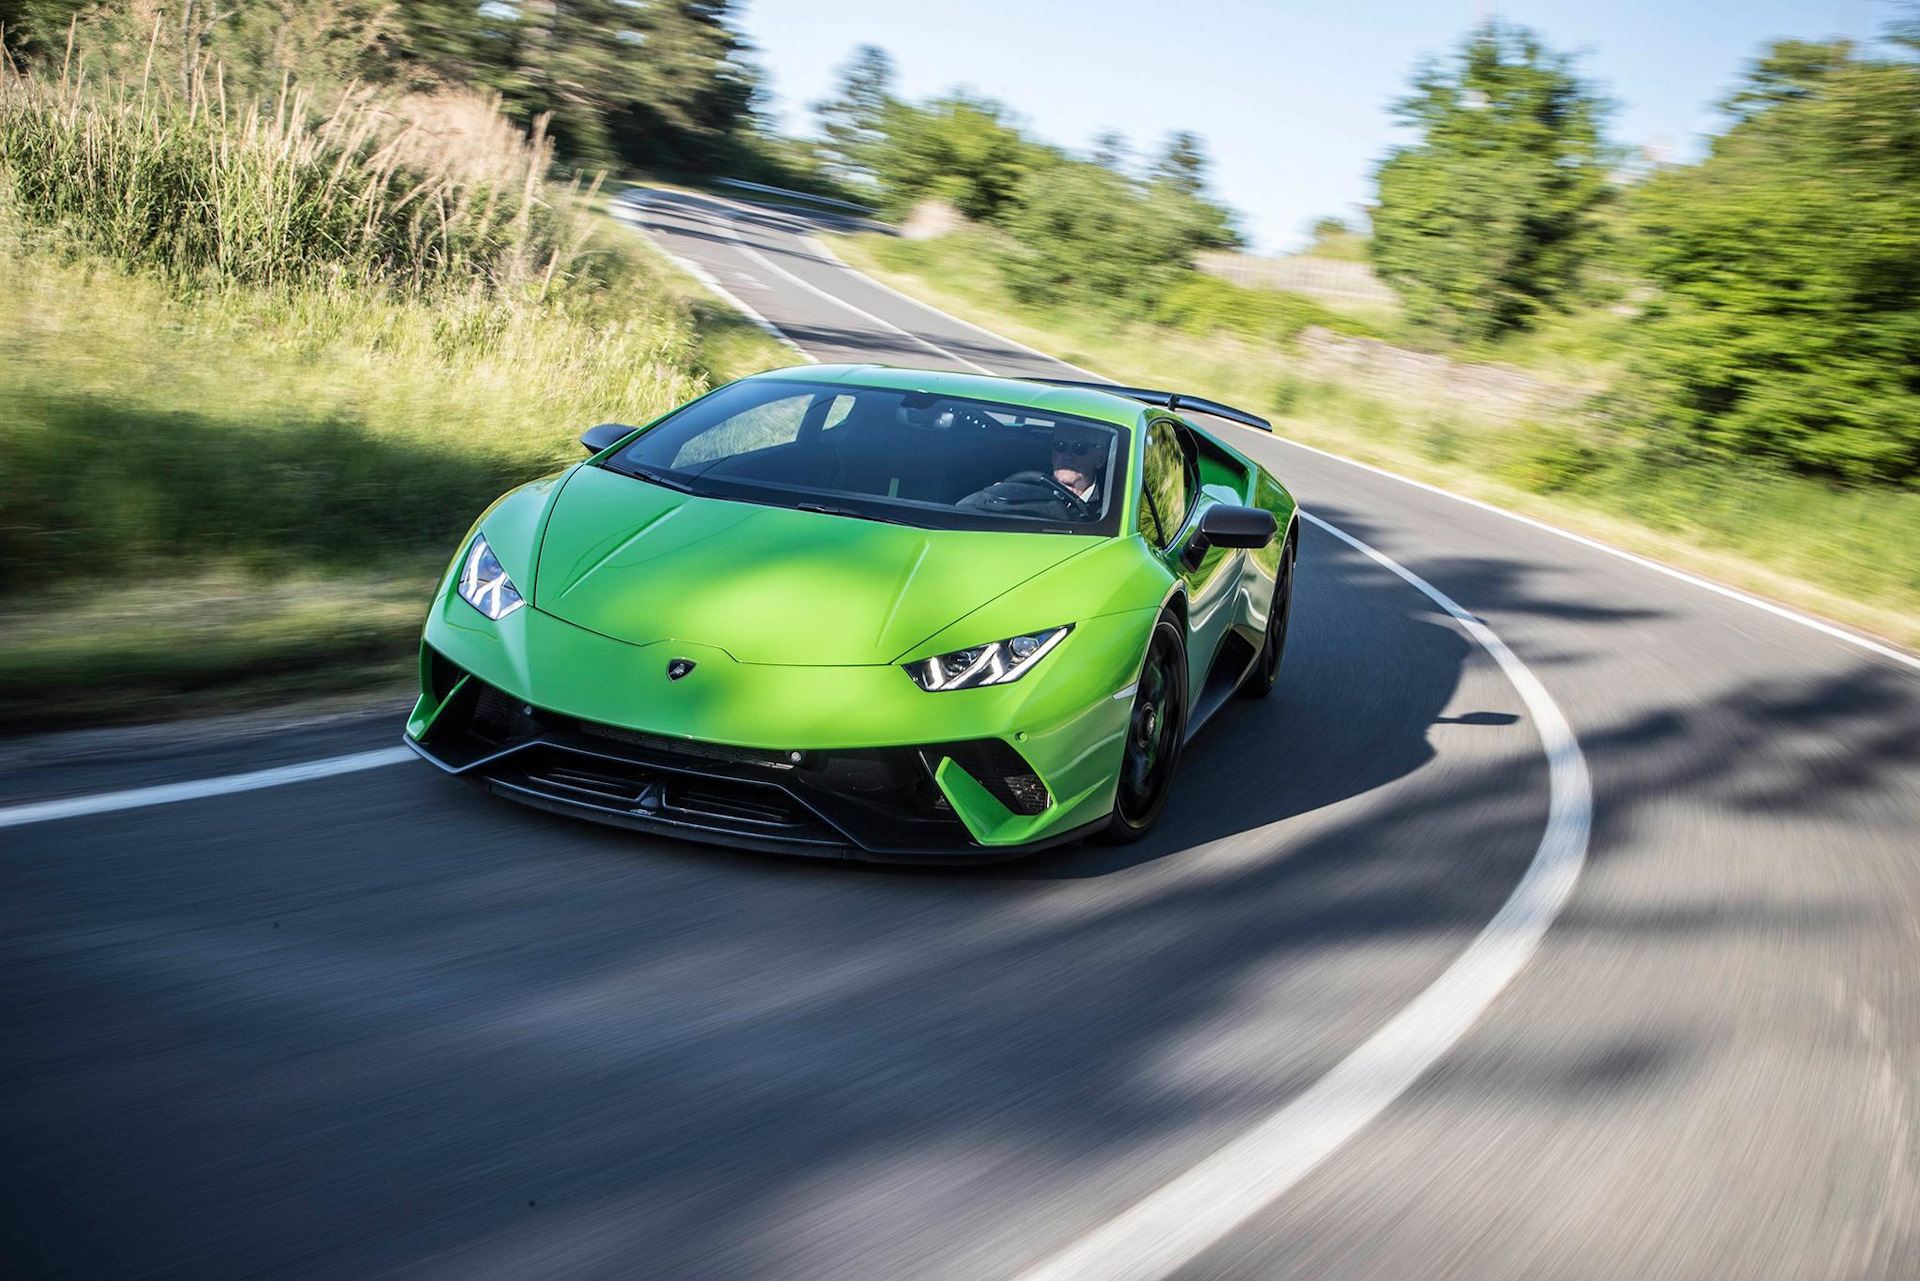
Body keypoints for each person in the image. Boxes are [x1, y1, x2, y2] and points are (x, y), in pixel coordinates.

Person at [956, 425, 1110, 521]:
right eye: (1060, 446)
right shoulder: (1020, 489)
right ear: (1052, 454)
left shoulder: (1111, 508)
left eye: (1079, 448)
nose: (1067, 455)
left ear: (1100, 459)